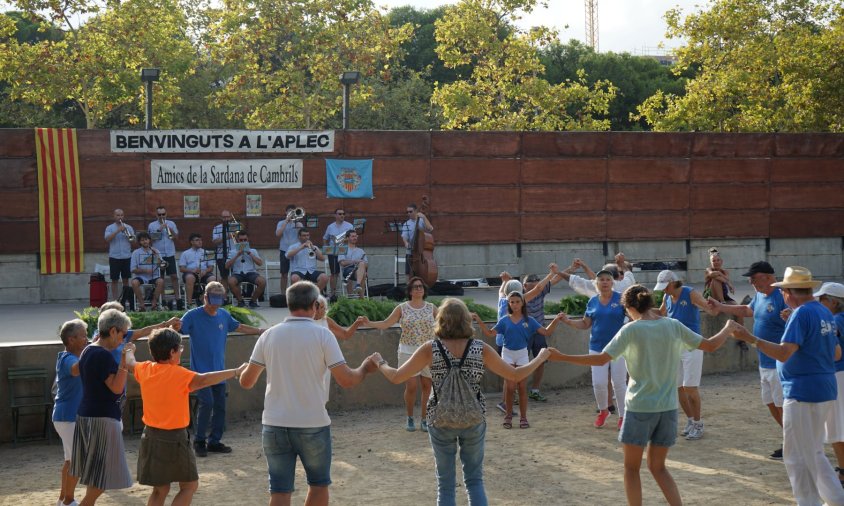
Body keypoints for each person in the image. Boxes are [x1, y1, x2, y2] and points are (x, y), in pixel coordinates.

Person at [546, 285, 736, 506]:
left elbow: (601, 359)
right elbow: (711, 345)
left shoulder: (631, 330)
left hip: (640, 408)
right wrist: (728, 327)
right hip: (667, 408)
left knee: (631, 468)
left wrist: (562, 357)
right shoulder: (673, 326)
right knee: (659, 468)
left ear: (628, 308)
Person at [371, 298, 552, 506]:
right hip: (473, 418)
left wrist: (380, 363)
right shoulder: (480, 348)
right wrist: (539, 358)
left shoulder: (430, 348)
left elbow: (396, 377)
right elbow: (515, 374)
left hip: (440, 419)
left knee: (445, 484)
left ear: (440, 320)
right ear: (466, 320)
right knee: (474, 480)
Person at [238, 281, 377, 506]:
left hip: (274, 423)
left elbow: (246, 381)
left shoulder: (268, 336)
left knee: (280, 492)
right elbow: (347, 380)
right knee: (318, 485)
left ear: (288, 303)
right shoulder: (323, 335)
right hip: (312, 422)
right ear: (315, 305)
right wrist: (365, 369)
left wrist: (246, 367)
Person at [731, 267, 844, 506]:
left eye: (783, 290)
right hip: (822, 388)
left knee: (796, 456)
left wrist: (750, 338)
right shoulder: (822, 312)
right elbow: (835, 353)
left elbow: (783, 353)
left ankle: (809, 502)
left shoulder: (802, 314)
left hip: (803, 391)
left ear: (789, 293)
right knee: (813, 451)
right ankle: (835, 499)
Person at [122, 328, 247, 506]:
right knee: (189, 486)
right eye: (179, 348)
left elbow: (130, 363)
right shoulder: (179, 374)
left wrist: (129, 350)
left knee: (160, 490)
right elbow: (204, 380)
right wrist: (236, 371)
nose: (181, 351)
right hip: (175, 438)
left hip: (150, 436)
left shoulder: (146, 369)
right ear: (172, 352)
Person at [708, 260, 787, 459]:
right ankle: (790, 437)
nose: (751, 282)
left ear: (768, 277)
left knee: (781, 405)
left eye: (754, 278)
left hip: (780, 363)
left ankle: (793, 442)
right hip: (764, 362)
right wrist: (721, 306)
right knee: (770, 402)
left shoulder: (783, 297)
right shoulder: (760, 295)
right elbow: (746, 310)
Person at [180, 282, 265, 457]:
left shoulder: (224, 316)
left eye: (220, 298)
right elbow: (178, 329)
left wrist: (260, 331)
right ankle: (199, 441)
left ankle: (215, 441)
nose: (216, 303)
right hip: (200, 373)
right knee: (207, 403)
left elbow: (239, 327)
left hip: (220, 372)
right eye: (213, 298)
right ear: (205, 297)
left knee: (220, 406)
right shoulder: (192, 315)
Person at [70, 309, 134, 504]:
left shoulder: (89, 349)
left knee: (96, 473)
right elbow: (116, 388)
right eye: (123, 334)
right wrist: (124, 361)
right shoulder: (102, 355)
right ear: (113, 331)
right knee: (103, 475)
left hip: (89, 414)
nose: (123, 339)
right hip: (102, 418)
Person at [475, 291, 564, 429]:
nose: (515, 304)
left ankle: (523, 417)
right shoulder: (504, 320)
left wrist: (556, 320)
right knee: (510, 387)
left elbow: (546, 332)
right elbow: (490, 333)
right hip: (507, 353)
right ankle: (508, 416)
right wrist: (478, 320)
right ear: (509, 304)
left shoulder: (530, 320)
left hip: (522, 353)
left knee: (522, 386)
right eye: (512, 302)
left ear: (522, 303)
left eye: (517, 301)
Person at [362, 276, 438, 432]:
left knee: (427, 386)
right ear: (409, 291)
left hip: (428, 351)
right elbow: (386, 323)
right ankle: (410, 417)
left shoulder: (431, 307)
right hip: (407, 351)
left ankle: (425, 418)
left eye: (421, 286)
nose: (419, 289)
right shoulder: (402, 308)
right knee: (411, 386)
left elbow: (443, 324)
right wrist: (369, 323)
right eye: (415, 287)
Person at [558, 269, 628, 429]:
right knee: (598, 383)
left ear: (612, 282)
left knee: (619, 382)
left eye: (607, 279)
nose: (604, 282)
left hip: (619, 347)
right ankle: (603, 410)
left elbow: (632, 317)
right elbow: (585, 324)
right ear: (596, 283)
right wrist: (568, 321)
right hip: (597, 347)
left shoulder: (622, 298)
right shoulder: (592, 302)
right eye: (601, 280)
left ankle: (624, 416)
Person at [655, 269, 714, 440]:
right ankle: (690, 420)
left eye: (666, 286)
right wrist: (638, 310)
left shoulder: (690, 293)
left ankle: (698, 423)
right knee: (678, 387)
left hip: (692, 345)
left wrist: (712, 305)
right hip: (674, 346)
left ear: (673, 282)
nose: (664, 290)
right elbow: (661, 313)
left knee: (690, 387)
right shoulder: (667, 297)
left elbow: (709, 309)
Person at [53, 319, 88, 506]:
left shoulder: (71, 356)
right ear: (71, 340)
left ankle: (63, 499)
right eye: (83, 336)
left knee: (70, 460)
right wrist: (94, 351)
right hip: (68, 416)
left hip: (67, 416)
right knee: (76, 461)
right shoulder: (68, 359)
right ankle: (68, 500)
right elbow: (76, 370)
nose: (87, 339)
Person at [814, 282, 844, 485]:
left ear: (834, 302)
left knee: (836, 427)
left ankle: (843, 471)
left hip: (838, 374)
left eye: (822, 299)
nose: (818, 302)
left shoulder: (834, 321)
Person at [522, 271, 565, 402]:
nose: (537, 285)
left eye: (537, 282)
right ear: (525, 286)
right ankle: (519, 392)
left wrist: (570, 269)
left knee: (540, 360)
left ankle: (535, 390)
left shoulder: (541, 291)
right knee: (521, 363)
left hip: (539, 332)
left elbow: (556, 279)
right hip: (524, 334)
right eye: (533, 283)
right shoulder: (522, 297)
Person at [557, 253, 636, 297]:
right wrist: (622, 264)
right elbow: (595, 279)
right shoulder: (625, 284)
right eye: (602, 279)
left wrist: (558, 272)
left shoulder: (625, 285)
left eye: (622, 272)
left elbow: (576, 280)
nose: (604, 282)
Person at [225, 230, 266, 308]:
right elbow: (227, 266)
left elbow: (260, 263)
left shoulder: (253, 251)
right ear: (237, 240)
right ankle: (240, 301)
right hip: (237, 273)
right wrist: (237, 255)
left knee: (262, 281)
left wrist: (249, 253)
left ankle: (253, 301)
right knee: (230, 282)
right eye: (241, 240)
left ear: (248, 240)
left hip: (251, 273)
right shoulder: (232, 252)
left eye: (245, 240)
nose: (243, 242)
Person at [147, 206, 180, 301]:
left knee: (174, 276)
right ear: (156, 215)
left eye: (163, 214)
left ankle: (177, 297)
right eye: (159, 214)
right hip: (158, 255)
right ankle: (163, 299)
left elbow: (176, 237)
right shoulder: (152, 225)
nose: (161, 216)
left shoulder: (171, 223)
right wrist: (159, 230)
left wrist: (170, 229)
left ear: (166, 214)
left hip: (170, 253)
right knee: (161, 278)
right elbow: (150, 240)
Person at [103, 208, 135, 303]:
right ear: (114, 216)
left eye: (121, 215)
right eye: (118, 215)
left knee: (126, 279)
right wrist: (118, 231)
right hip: (114, 257)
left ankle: (125, 300)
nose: (119, 217)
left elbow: (133, 240)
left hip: (126, 257)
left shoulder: (128, 227)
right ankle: (115, 300)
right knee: (114, 280)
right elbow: (107, 239)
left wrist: (126, 233)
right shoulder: (109, 228)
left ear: (123, 216)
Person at [129, 231, 165, 311]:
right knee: (134, 283)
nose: (145, 241)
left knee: (161, 281)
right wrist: (144, 271)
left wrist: (160, 262)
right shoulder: (135, 253)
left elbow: (162, 266)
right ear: (139, 242)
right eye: (142, 240)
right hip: (141, 276)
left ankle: (154, 303)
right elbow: (133, 269)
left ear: (149, 240)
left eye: (146, 239)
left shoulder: (156, 251)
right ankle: (142, 304)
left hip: (154, 276)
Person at [178, 233, 216, 308]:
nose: (200, 242)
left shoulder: (206, 253)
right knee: (190, 278)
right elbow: (181, 268)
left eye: (201, 240)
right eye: (197, 240)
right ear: (191, 242)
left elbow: (211, 267)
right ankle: (189, 303)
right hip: (191, 272)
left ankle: (202, 297)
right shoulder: (185, 253)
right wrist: (192, 270)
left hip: (204, 272)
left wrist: (205, 271)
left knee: (213, 279)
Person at [323, 208, 354, 297]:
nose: (342, 215)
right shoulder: (330, 226)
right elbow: (325, 238)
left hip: (346, 252)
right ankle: (333, 294)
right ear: (335, 215)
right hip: (333, 252)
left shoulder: (349, 226)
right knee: (334, 273)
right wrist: (327, 249)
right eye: (339, 214)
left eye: (343, 214)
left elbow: (353, 238)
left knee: (348, 272)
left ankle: (350, 295)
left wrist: (341, 240)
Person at [401, 203, 433, 283]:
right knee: (408, 271)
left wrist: (424, 217)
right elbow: (404, 237)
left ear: (416, 211)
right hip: (411, 250)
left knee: (424, 269)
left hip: (422, 250)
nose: (408, 214)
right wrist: (406, 243)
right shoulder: (406, 224)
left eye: (410, 211)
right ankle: (409, 286)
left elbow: (430, 229)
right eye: (407, 212)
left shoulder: (422, 221)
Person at [275, 204, 304, 294]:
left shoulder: (298, 223)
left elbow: (303, 237)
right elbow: (278, 234)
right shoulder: (281, 223)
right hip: (284, 250)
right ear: (286, 212)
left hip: (296, 251)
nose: (291, 213)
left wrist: (298, 224)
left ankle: (294, 293)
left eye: (293, 211)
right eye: (290, 211)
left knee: (295, 273)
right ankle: (283, 294)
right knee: (284, 273)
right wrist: (286, 221)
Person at [212, 210, 238, 291]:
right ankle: (224, 296)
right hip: (221, 255)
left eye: (227, 217)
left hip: (234, 254)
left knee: (236, 276)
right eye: (224, 217)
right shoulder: (217, 228)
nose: (225, 219)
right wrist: (227, 236)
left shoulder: (235, 227)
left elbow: (241, 240)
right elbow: (215, 242)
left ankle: (236, 296)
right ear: (221, 218)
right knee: (224, 276)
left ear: (230, 217)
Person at [337, 231, 367, 296]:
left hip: (359, 271)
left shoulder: (361, 251)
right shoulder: (342, 249)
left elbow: (366, 265)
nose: (355, 238)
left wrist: (361, 264)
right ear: (347, 238)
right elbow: (342, 263)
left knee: (362, 267)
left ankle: (358, 285)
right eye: (353, 236)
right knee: (363, 274)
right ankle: (361, 299)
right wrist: (355, 261)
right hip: (347, 270)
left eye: (356, 236)